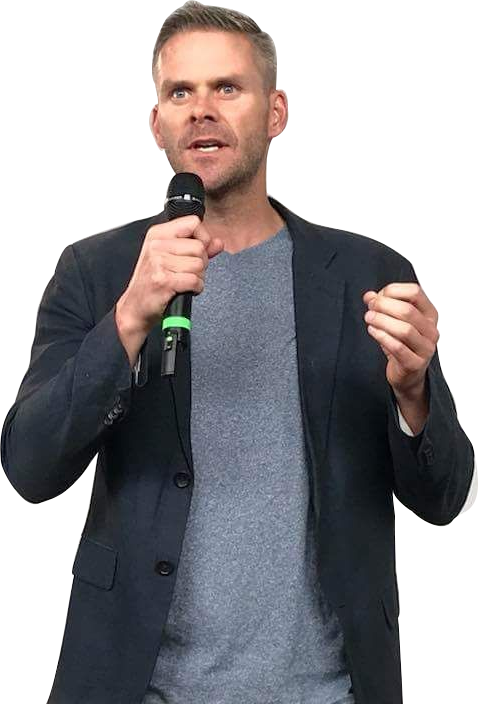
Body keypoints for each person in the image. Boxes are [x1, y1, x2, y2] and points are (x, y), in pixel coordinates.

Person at [1, 3, 476, 703]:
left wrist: (414, 392)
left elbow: (446, 499)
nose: (201, 110)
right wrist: (129, 318)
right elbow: (30, 469)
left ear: (276, 112)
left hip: (329, 690)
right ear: (157, 123)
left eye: (227, 87)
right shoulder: (95, 271)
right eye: (180, 92)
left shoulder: (369, 274)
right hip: (140, 687)